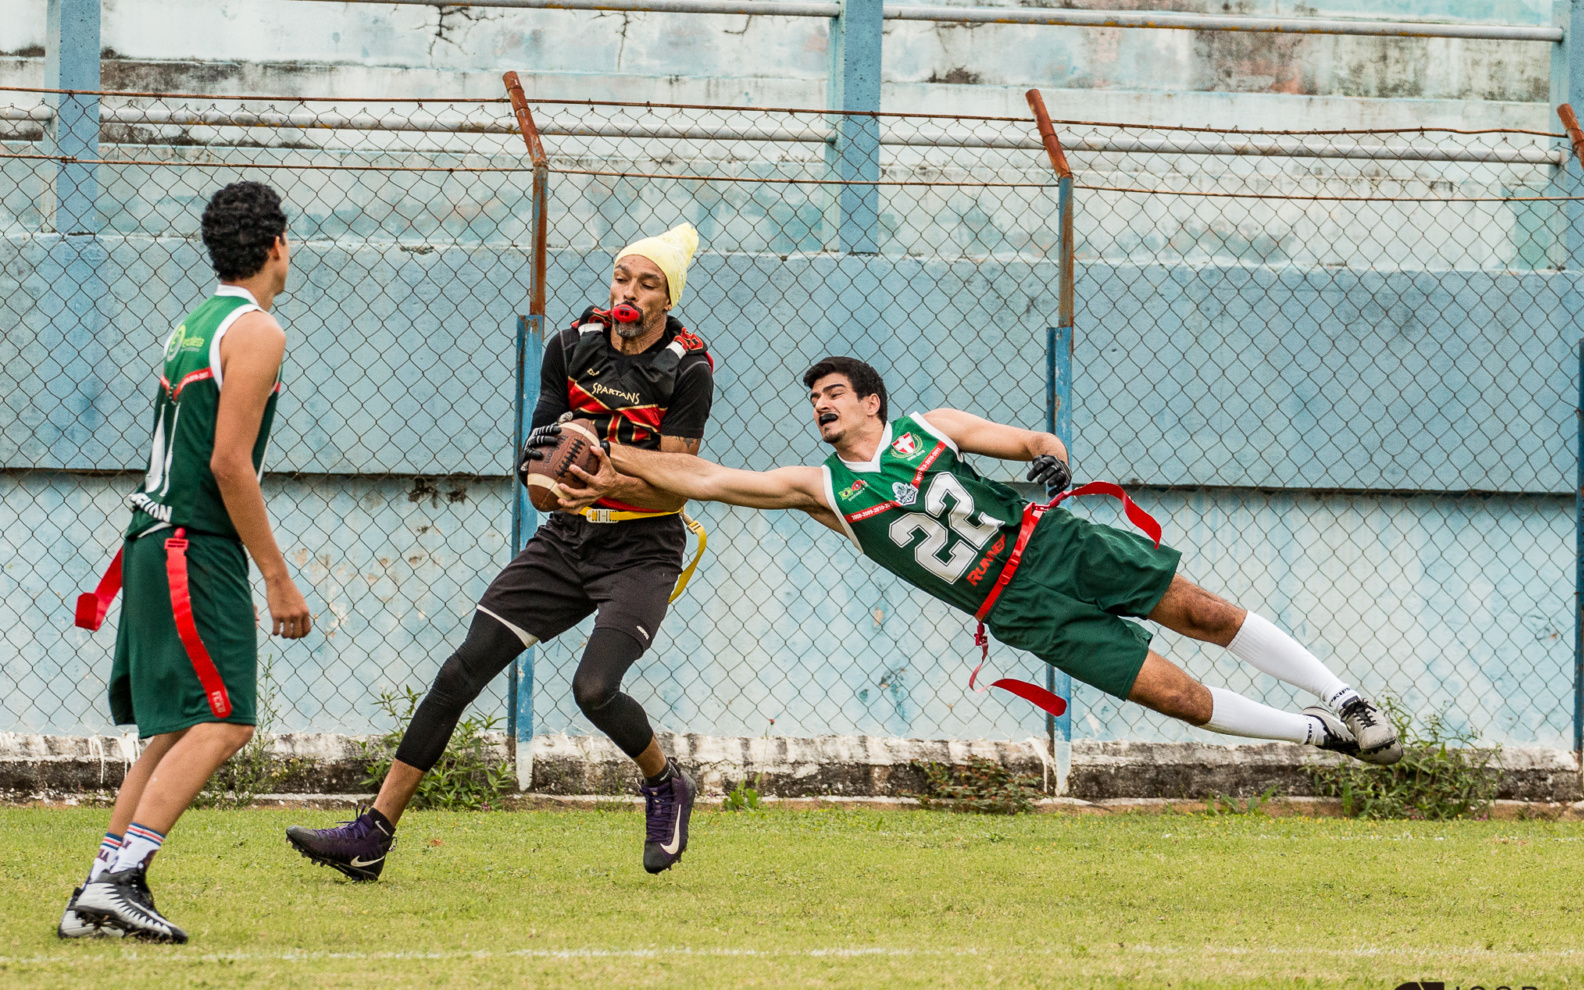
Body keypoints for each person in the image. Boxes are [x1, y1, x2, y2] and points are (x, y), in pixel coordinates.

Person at [596, 355, 1403, 763]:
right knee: (1179, 697)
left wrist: (1049, 456)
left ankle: (1348, 697)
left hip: (1053, 543)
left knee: (1206, 612)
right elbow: (704, 477)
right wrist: (606, 452)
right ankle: (1320, 735)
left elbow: (1027, 439)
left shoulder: (930, 426)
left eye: (833, 391)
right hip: (1016, 607)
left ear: (870, 400)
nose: (820, 404)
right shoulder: (821, 487)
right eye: (813, 399)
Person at [286, 223, 713, 880]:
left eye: (647, 283)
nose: (629, 291)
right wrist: (546, 481)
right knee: (460, 673)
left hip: (642, 546)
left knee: (595, 689)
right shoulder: (574, 345)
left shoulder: (687, 366)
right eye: (623, 276)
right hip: (568, 540)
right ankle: (372, 833)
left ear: (667, 298)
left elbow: (680, 478)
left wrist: (603, 466)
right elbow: (537, 449)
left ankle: (664, 784)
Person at [61, 182, 313, 942]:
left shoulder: (195, 321)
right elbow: (230, 464)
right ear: (274, 245)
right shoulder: (257, 330)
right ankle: (118, 881)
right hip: (191, 545)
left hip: (151, 537)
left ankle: (96, 894)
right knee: (225, 718)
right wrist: (276, 574)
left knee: (170, 731)